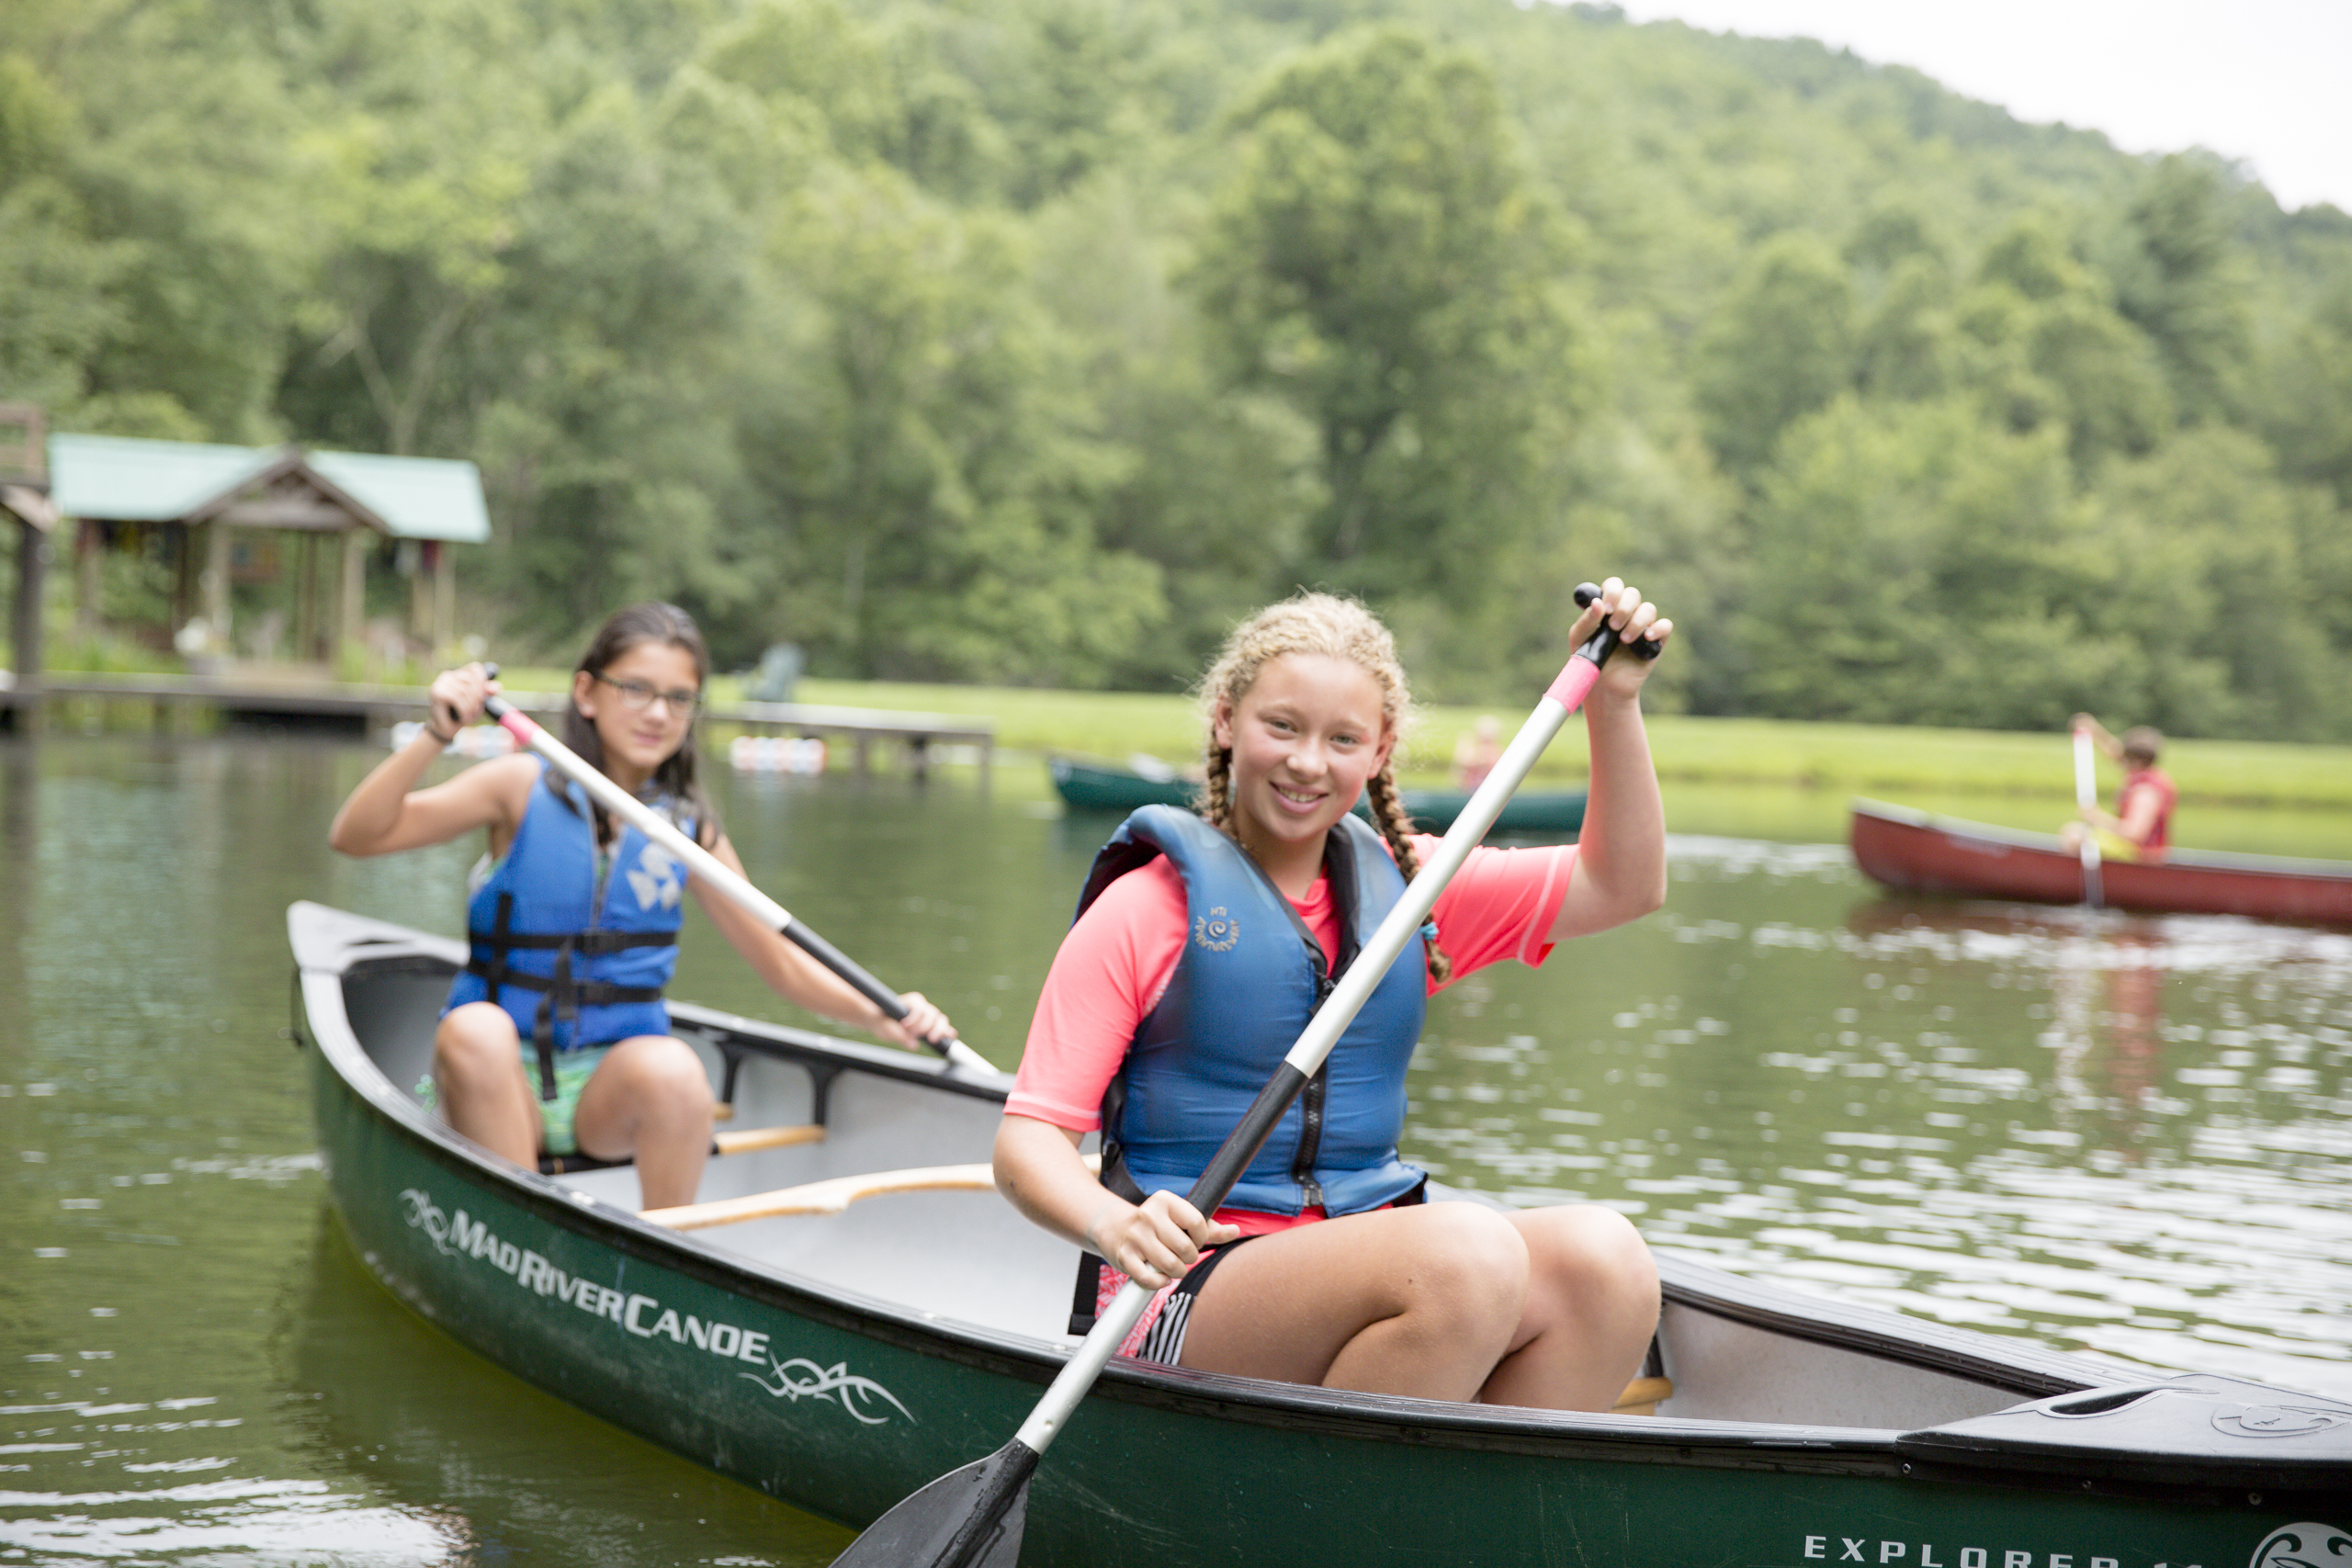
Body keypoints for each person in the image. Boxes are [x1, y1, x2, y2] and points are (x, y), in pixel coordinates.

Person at [993, 581, 1669, 1413]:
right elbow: (1027, 1146)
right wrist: (1112, 1223)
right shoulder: (1147, 907)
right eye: (1281, 726)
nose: (1308, 761)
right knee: (1465, 1253)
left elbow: (1623, 884)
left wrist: (1615, 702)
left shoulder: (1415, 889)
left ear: (1380, 749)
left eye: (1341, 738)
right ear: (1225, 722)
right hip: (1178, 1292)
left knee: (1610, 1262)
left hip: (1371, 1251)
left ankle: (1466, 1517)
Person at [327, 603, 954, 1211]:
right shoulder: (517, 786)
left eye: (679, 698)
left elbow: (782, 963)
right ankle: (524, 1227)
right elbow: (357, 836)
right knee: (474, 1027)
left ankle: (664, 1255)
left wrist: (882, 1015)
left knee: (678, 1070)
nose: (658, 712)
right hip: (497, 1076)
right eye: (636, 689)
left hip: (608, 1088)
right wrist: (438, 733)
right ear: (586, 693)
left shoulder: (687, 828)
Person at [2064, 715, 2177, 863]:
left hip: (2141, 857)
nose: (2121, 761)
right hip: (2130, 851)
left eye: (2126, 757)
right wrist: (2093, 729)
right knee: (2076, 833)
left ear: (2136, 759)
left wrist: (2096, 817)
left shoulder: (2145, 790)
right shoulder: (2144, 771)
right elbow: (2114, 753)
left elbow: (2134, 833)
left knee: (2074, 835)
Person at [1453, 714, 1503, 791]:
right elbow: (1463, 762)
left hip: (1489, 788)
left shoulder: (1497, 750)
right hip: (1469, 788)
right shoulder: (1471, 747)